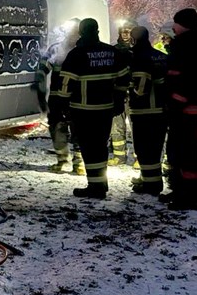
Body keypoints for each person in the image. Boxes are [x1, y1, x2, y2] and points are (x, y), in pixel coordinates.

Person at [59, 18, 130, 199]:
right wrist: (119, 100)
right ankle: (100, 184)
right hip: (106, 109)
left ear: (82, 32)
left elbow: (66, 83)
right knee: (100, 146)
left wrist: (62, 105)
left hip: (83, 110)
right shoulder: (111, 52)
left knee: (89, 148)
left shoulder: (77, 54)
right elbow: (123, 78)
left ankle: (95, 187)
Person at [161, 8, 197, 211]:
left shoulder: (191, 45)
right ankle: (181, 190)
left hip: (186, 108)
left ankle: (191, 197)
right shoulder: (195, 43)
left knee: (186, 152)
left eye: (175, 23)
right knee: (176, 150)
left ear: (183, 24)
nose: (173, 27)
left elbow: (187, 78)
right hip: (187, 106)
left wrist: (176, 99)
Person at [36, 20, 85, 175]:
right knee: (58, 128)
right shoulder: (56, 49)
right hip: (61, 99)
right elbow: (41, 72)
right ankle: (63, 160)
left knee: (78, 130)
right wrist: (40, 93)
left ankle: (78, 162)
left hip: (75, 99)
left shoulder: (83, 50)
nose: (74, 34)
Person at [127, 25, 167, 196]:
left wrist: (129, 89)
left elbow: (141, 86)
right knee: (155, 147)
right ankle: (149, 178)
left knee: (144, 148)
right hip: (162, 108)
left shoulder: (139, 57)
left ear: (134, 39)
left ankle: (151, 185)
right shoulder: (162, 56)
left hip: (144, 110)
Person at [109, 19, 135, 166]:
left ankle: (138, 157)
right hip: (117, 93)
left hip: (134, 93)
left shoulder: (139, 50)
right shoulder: (114, 50)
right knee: (116, 125)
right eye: (123, 31)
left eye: (128, 31)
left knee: (136, 126)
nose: (125, 34)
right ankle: (119, 156)